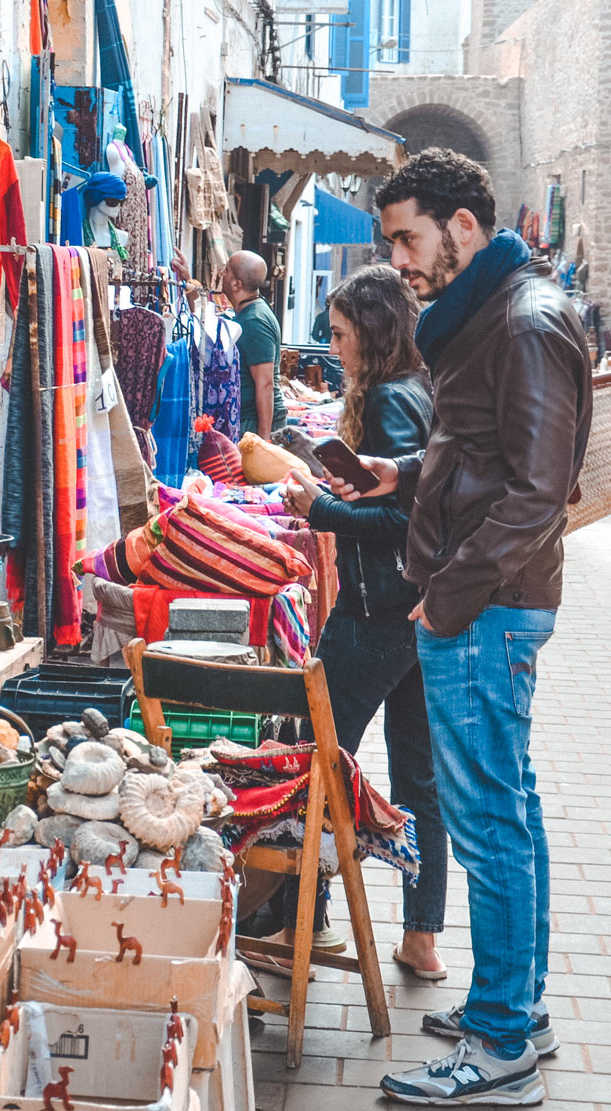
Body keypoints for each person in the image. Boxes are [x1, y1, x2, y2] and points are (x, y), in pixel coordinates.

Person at [332, 149, 592, 1105]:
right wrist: (400, 477)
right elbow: (482, 450)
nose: (398, 257)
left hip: (484, 606)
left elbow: (535, 494)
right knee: (506, 814)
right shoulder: (491, 316)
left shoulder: (522, 322)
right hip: (483, 601)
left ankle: (497, 1048)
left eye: (408, 235)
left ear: (465, 226)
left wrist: (444, 598)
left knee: (490, 824)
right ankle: (514, 1010)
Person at [280, 264, 447, 980]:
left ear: (372, 335)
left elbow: (403, 516)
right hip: (414, 613)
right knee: (418, 775)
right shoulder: (418, 389)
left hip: (378, 609)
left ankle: (305, 919)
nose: (335, 346)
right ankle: (422, 937)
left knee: (316, 755)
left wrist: (318, 507)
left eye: (343, 334)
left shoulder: (388, 401)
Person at [220, 250, 287, 439]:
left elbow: (265, 383)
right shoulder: (249, 311)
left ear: (236, 284)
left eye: (226, 270)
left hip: (254, 423)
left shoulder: (254, 320)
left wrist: (263, 440)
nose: (221, 273)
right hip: (249, 419)